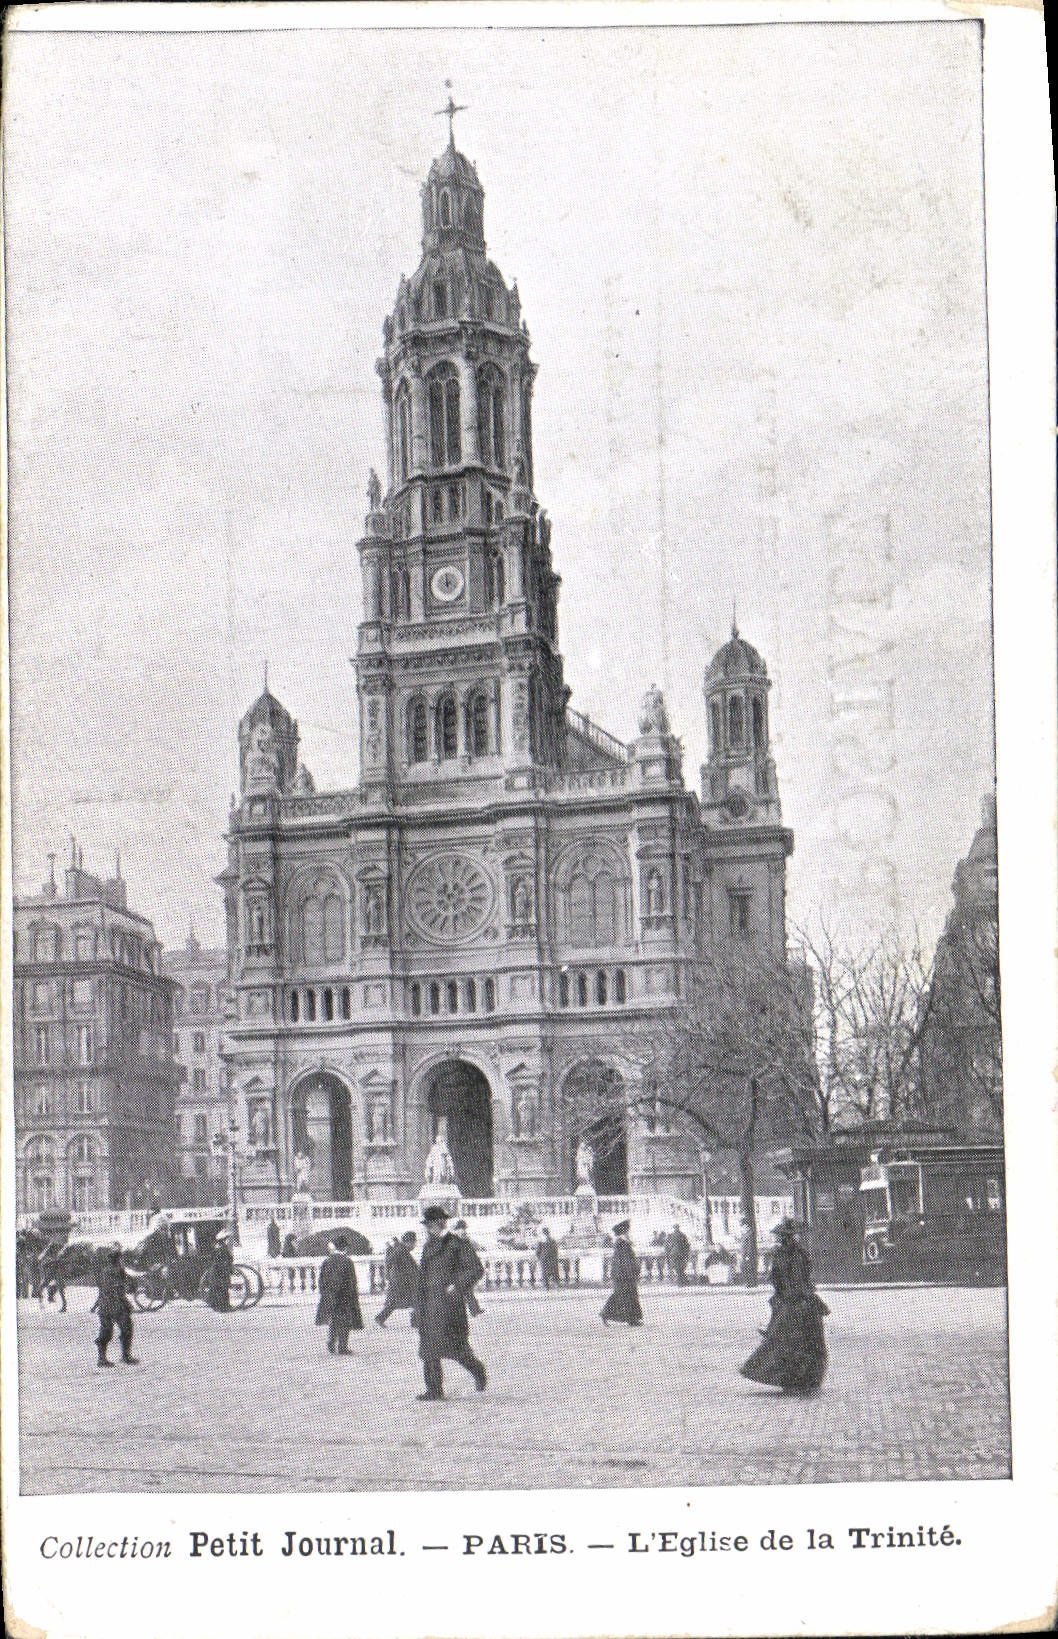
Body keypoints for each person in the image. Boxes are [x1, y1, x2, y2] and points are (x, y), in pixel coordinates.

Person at [739, 1219, 829, 1396]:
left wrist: (782, 1294)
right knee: (808, 1342)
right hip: (801, 1301)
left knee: (782, 1341)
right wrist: (805, 1292)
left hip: (787, 1301)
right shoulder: (801, 1254)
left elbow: (776, 1279)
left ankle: (789, 1378)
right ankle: (805, 1379)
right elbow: (803, 1279)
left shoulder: (779, 1255)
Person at [412, 1204, 487, 1401]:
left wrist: (457, 1286)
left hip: (448, 1305)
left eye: (430, 1225)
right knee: (428, 1350)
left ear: (440, 1223)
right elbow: (422, 1278)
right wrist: (417, 1306)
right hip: (429, 1305)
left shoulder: (456, 1244)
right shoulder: (428, 1246)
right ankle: (434, 1389)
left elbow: (476, 1269)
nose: (427, 1229)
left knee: (456, 1349)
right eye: (426, 1226)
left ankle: (477, 1370)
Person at [315, 1234, 363, 1355]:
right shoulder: (347, 1261)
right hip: (344, 1297)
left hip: (330, 1296)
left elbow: (321, 1280)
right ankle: (342, 1347)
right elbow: (352, 1281)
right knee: (345, 1322)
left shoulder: (327, 1261)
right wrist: (353, 1296)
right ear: (345, 1248)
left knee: (334, 1321)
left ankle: (331, 1342)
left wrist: (325, 1294)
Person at [91, 1244, 138, 1367]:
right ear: (117, 1259)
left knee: (122, 1329)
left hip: (111, 1304)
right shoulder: (111, 1271)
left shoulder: (116, 1269)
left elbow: (126, 1283)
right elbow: (112, 1287)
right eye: (120, 1258)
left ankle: (121, 1356)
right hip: (112, 1304)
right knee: (111, 1331)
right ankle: (107, 1358)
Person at [601, 1220, 643, 1326]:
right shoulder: (622, 1244)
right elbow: (625, 1261)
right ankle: (608, 1314)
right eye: (627, 1231)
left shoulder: (621, 1243)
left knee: (625, 1296)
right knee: (624, 1296)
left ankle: (631, 1319)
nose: (628, 1233)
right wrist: (633, 1272)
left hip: (622, 1274)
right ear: (624, 1232)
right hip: (624, 1275)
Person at [375, 1231, 419, 1327]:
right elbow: (389, 1261)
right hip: (400, 1282)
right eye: (414, 1242)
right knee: (413, 1300)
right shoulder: (400, 1250)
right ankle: (415, 1321)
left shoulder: (401, 1249)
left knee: (399, 1302)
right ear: (409, 1242)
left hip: (402, 1281)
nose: (415, 1245)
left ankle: (380, 1318)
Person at [451, 1221, 485, 1316]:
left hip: (473, 1270)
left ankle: (459, 1311)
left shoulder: (465, 1241)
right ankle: (474, 1310)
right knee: (466, 1289)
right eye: (460, 1229)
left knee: (459, 1288)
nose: (463, 1231)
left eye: (464, 1229)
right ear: (456, 1230)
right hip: (469, 1270)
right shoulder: (455, 1242)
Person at [206, 1230, 234, 1312]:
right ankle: (222, 1307)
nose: (228, 1239)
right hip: (219, 1271)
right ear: (223, 1239)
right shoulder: (221, 1248)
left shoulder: (218, 1246)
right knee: (221, 1289)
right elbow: (224, 1259)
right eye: (226, 1238)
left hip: (218, 1270)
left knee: (221, 1289)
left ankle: (222, 1306)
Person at [38, 1239, 68, 1312]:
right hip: (53, 1269)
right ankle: (43, 1303)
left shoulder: (57, 1246)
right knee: (59, 1288)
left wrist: (49, 1260)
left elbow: (41, 1257)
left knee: (59, 1288)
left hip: (56, 1269)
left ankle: (63, 1305)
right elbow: (42, 1257)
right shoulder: (55, 1245)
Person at [536, 1224, 561, 1290]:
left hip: (548, 1259)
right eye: (545, 1232)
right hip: (547, 1259)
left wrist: (540, 1257)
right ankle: (548, 1285)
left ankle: (553, 1285)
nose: (546, 1234)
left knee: (551, 1272)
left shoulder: (550, 1240)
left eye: (546, 1232)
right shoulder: (543, 1241)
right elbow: (538, 1251)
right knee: (548, 1272)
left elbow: (538, 1252)